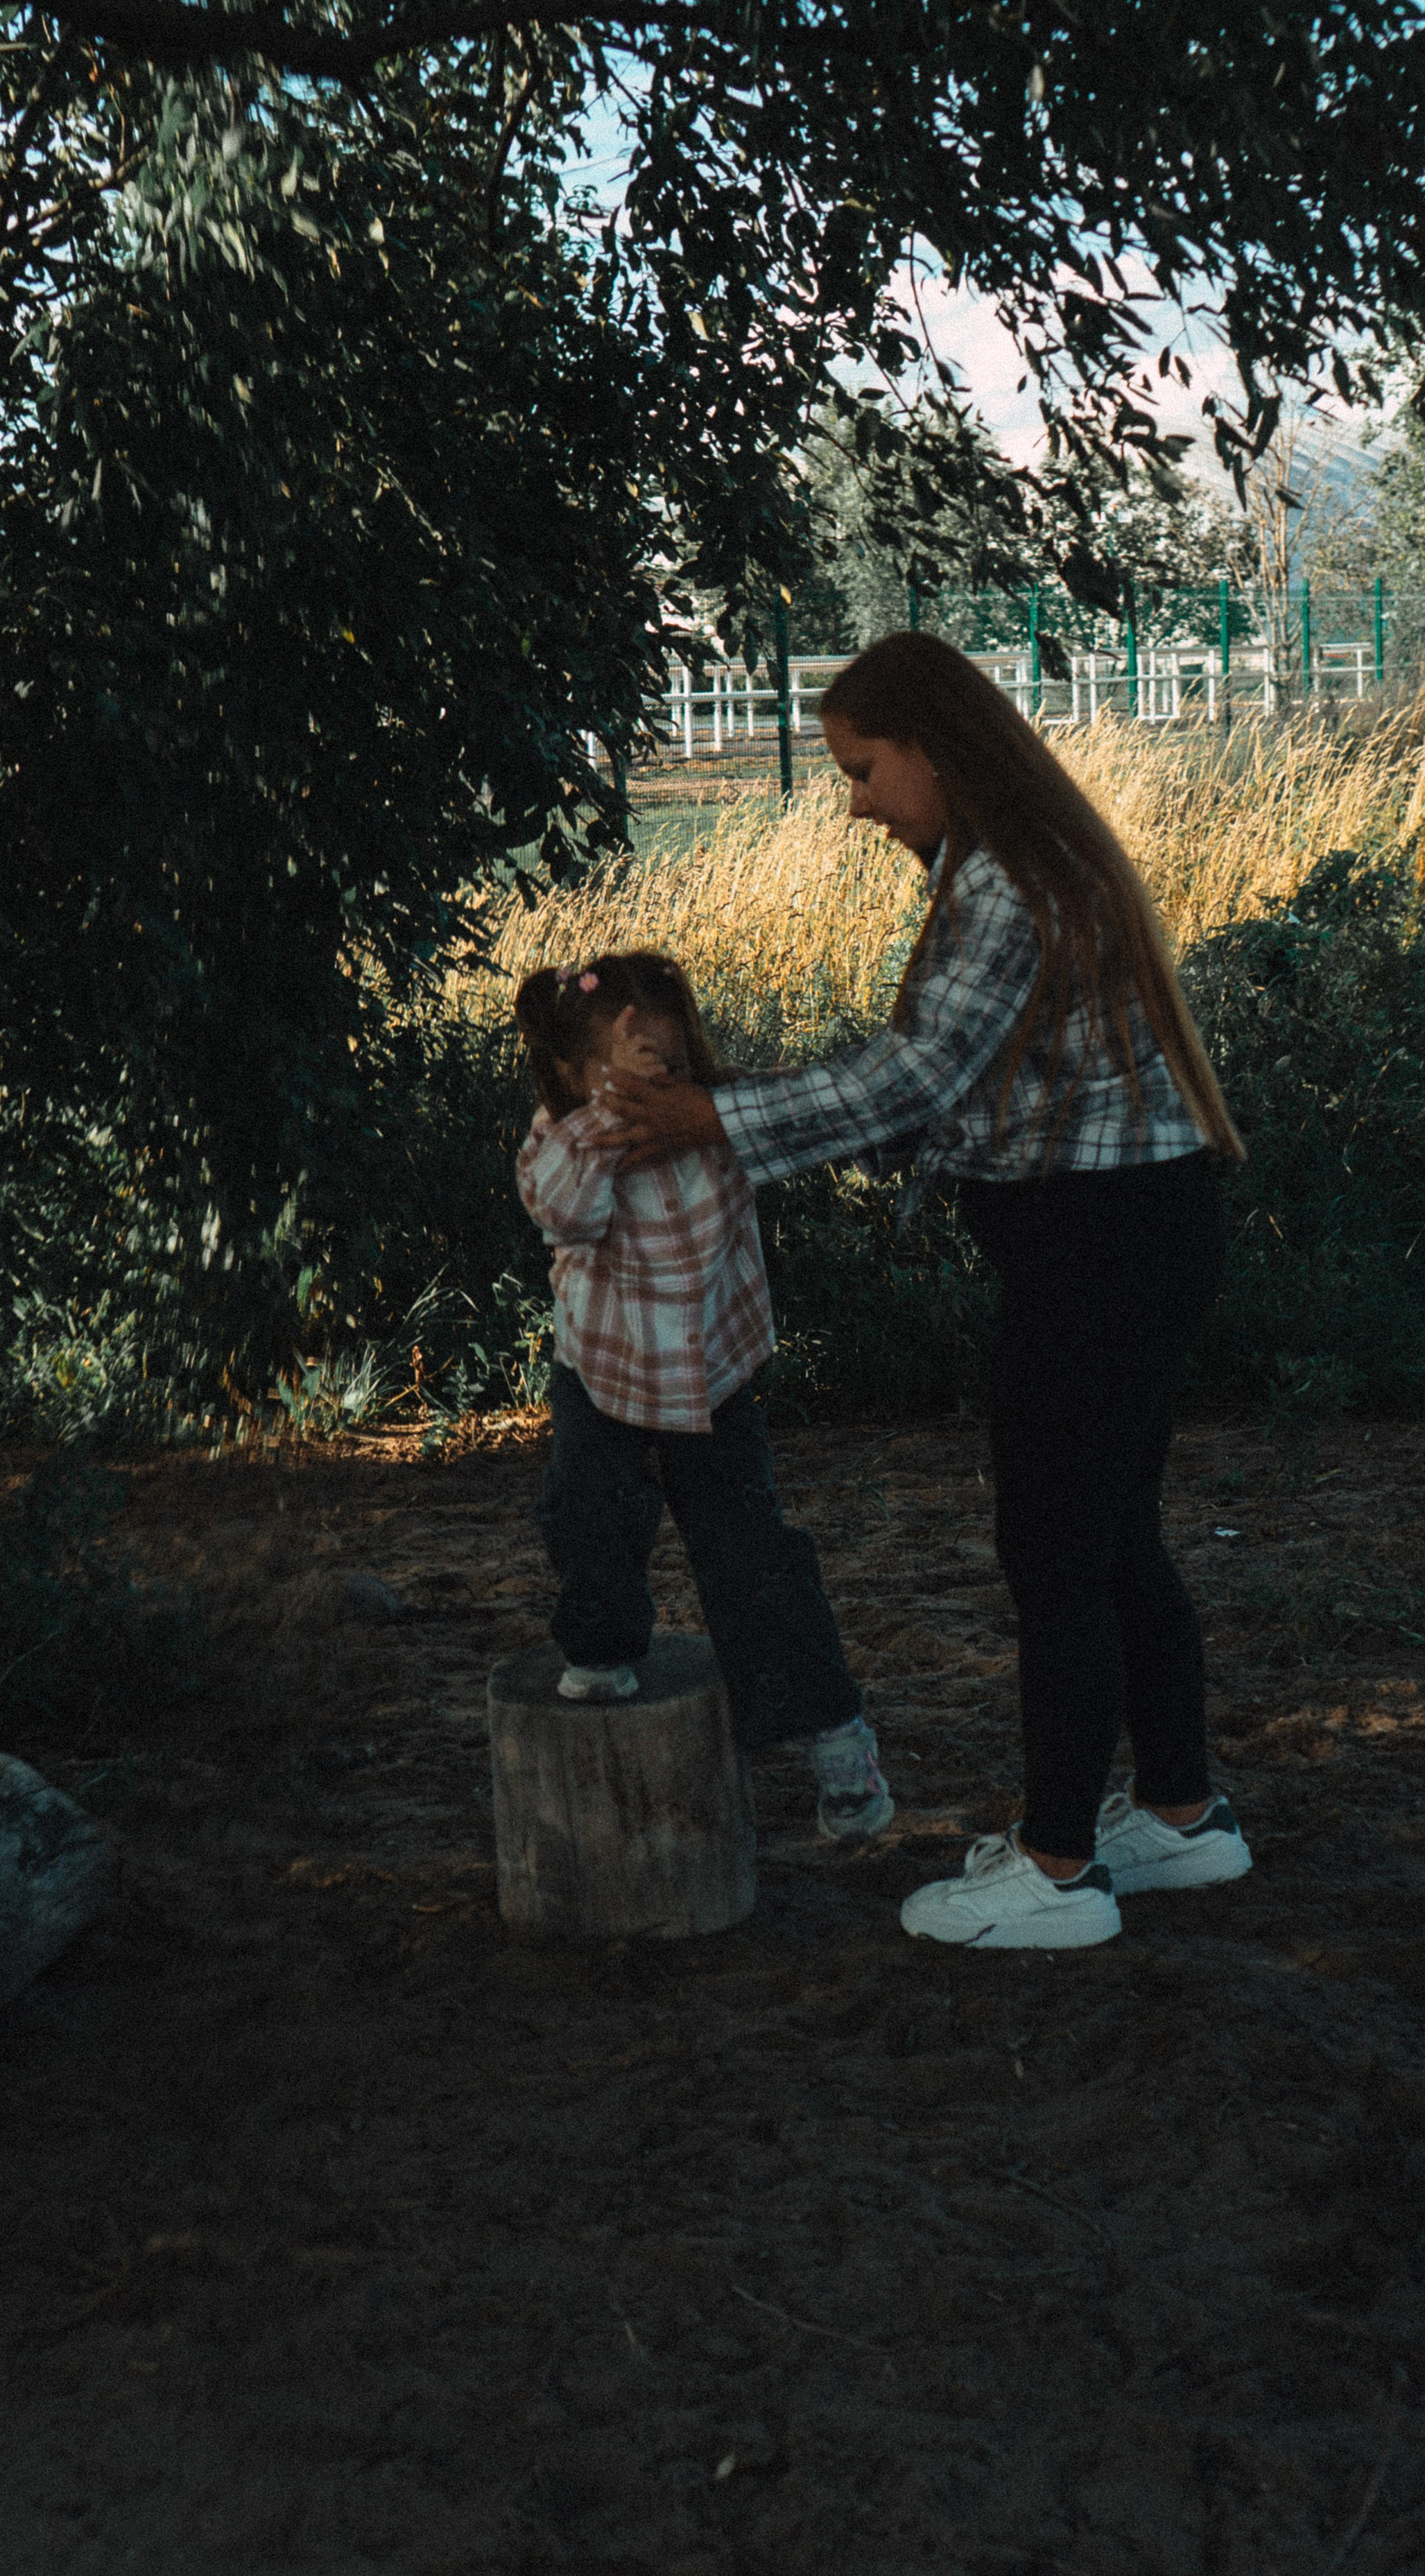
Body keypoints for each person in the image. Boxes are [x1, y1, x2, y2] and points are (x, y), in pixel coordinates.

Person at [593, 635, 1252, 1951]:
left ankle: (1057, 1871)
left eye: (863, 768)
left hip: (1098, 1244)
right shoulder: (1015, 861)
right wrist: (742, 1110)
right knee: (1113, 1538)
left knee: (1055, 1552)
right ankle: (1181, 1817)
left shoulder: (1008, 880)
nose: (855, 803)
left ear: (937, 749)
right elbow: (951, 1090)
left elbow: (915, 1078)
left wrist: (712, 1119)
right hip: (1132, 1230)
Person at [513, 949, 892, 1844]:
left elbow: (789, 1128)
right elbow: (566, 1215)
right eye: (633, 1070)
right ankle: (603, 1649)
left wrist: (692, 1107)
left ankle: (835, 1735)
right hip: (604, 1374)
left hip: (713, 1381)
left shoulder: (716, 1123)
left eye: (674, 1066)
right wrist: (610, 1120)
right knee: (591, 1512)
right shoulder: (562, 1139)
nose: (661, 1088)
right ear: (573, 1075)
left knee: (754, 1557)